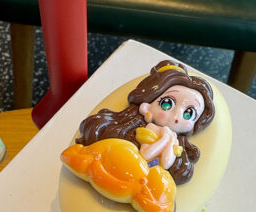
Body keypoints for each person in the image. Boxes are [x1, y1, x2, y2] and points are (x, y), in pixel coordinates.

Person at [76, 60, 215, 185]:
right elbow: (145, 155)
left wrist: (168, 143)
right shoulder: (148, 130)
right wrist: (165, 139)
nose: (176, 116)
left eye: (188, 114)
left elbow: (164, 163)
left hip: (142, 177)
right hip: (116, 166)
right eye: (167, 104)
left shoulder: (173, 141)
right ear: (146, 106)